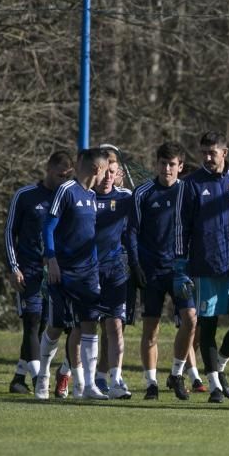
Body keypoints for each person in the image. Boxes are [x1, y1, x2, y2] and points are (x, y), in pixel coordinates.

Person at [175, 131, 229, 403]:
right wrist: (180, 265)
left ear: (225, 153)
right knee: (207, 325)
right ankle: (214, 386)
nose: (207, 158)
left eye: (212, 153)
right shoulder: (191, 184)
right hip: (206, 265)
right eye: (204, 152)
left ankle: (218, 365)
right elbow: (180, 226)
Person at [35, 148, 110, 400]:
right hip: (62, 272)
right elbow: (48, 225)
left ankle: (88, 386)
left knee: (90, 325)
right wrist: (51, 259)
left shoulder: (91, 195)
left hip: (88, 273)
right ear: (98, 169)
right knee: (56, 327)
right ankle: (43, 377)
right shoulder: (66, 190)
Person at [130, 142, 201, 400]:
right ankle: (151, 383)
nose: (167, 168)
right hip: (151, 271)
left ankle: (176, 374)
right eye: (163, 163)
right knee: (151, 328)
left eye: (172, 164)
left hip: (180, 269)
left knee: (191, 319)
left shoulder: (189, 192)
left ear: (180, 167)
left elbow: (198, 229)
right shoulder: (143, 193)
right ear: (156, 164)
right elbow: (132, 232)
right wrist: (136, 265)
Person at [5, 152, 74, 394]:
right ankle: (39, 380)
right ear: (48, 169)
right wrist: (14, 267)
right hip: (29, 271)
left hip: (54, 272)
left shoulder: (67, 197)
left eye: (68, 176)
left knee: (46, 325)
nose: (63, 179)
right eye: (59, 175)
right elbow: (9, 233)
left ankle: (18, 378)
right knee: (32, 322)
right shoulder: (25, 196)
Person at [93, 147, 135, 399]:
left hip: (115, 272)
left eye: (113, 171)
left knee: (115, 325)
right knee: (82, 329)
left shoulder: (126, 198)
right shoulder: (82, 195)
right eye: (105, 171)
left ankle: (115, 379)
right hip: (85, 272)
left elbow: (134, 232)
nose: (110, 176)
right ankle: (73, 377)